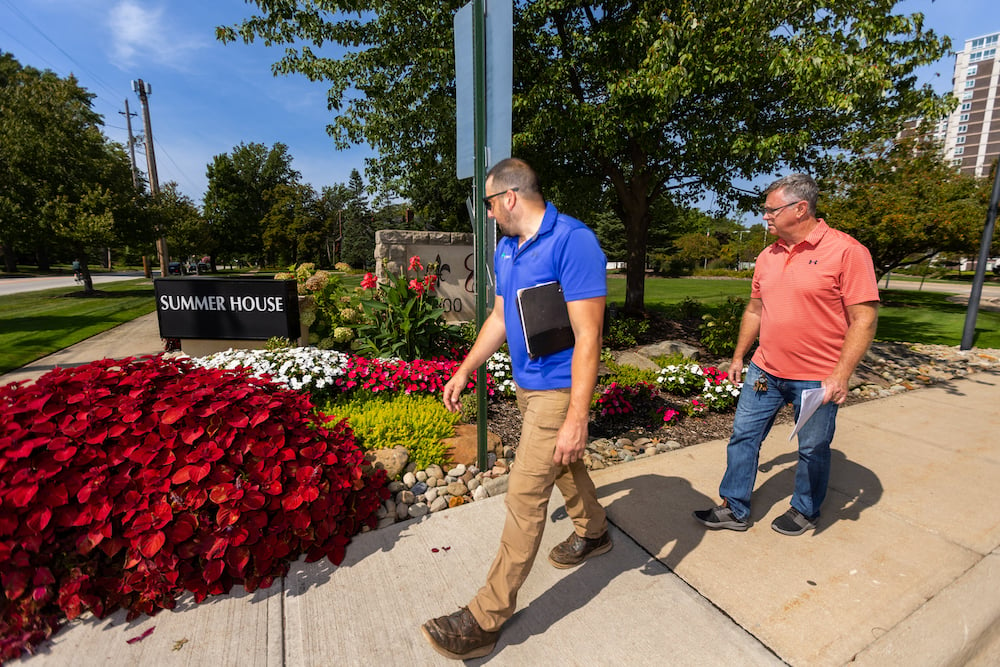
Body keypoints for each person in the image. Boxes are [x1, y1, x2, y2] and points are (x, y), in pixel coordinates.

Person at [421, 158, 612, 660]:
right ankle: (595, 532)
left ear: (509, 197)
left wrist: (577, 415)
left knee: (525, 499)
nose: (487, 215)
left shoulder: (573, 241)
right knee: (564, 467)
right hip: (528, 386)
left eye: (488, 204)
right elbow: (502, 315)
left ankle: (483, 619)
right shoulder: (508, 248)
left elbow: (589, 336)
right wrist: (466, 369)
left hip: (559, 390)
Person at [693, 173, 879, 537]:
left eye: (770, 210)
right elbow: (755, 310)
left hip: (817, 377)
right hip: (764, 371)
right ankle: (735, 507)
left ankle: (806, 510)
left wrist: (841, 374)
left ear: (800, 208)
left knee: (812, 448)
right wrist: (738, 356)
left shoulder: (847, 251)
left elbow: (864, 318)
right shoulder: (768, 255)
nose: (765, 216)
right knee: (743, 436)